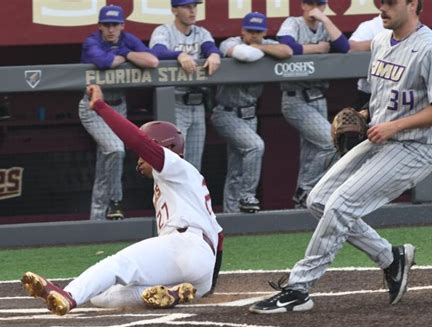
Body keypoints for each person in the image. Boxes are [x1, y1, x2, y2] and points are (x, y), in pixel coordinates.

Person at [250, 0, 432, 314]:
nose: (382, 8)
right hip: (380, 137)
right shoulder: (381, 41)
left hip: (416, 147)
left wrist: (394, 125)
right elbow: (382, 99)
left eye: (390, 3)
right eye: (379, 2)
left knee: (340, 204)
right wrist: (364, 113)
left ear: (413, 4)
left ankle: (298, 287)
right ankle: (391, 258)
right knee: (318, 200)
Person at [22, 84, 224, 316]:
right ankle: (168, 293)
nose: (139, 159)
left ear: (163, 146)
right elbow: (218, 236)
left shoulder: (175, 165)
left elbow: (136, 139)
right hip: (201, 266)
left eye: (144, 153)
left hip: (183, 243)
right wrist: (206, 285)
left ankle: (68, 295)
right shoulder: (182, 182)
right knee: (100, 296)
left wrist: (100, 106)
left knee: (118, 265)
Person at [79, 4, 159, 221]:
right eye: (107, 25)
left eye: (115, 25)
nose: (111, 29)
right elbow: (105, 62)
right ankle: (115, 200)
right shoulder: (91, 41)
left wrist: (124, 52)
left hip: (118, 106)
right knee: (115, 149)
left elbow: (152, 61)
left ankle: (96, 217)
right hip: (93, 107)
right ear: (100, 27)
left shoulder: (127, 40)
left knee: (106, 157)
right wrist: (129, 56)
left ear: (122, 25)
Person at [211, 12, 293, 213]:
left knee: (237, 167)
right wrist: (260, 50)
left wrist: (261, 46)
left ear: (264, 31)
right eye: (250, 31)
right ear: (242, 31)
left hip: (250, 115)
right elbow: (243, 54)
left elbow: (287, 51)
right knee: (255, 146)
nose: (254, 35)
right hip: (226, 113)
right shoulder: (230, 42)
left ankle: (231, 213)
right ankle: (247, 195)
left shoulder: (266, 43)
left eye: (258, 31)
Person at [276, 0, 350, 209]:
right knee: (331, 142)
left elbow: (343, 47)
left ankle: (303, 201)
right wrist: (317, 48)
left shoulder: (325, 26)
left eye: (319, 3)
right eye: (310, 3)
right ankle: (305, 189)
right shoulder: (293, 23)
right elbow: (288, 46)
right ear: (303, 4)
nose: (314, 7)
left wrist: (325, 19)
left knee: (311, 153)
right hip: (295, 97)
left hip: (318, 97)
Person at [149, 0, 221, 171]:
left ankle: (192, 197)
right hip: (175, 103)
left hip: (197, 104)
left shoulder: (201, 32)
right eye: (187, 7)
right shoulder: (164, 31)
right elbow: (157, 52)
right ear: (174, 9)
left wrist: (214, 54)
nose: (192, 11)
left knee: (194, 164)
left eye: (194, 6)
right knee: (173, 161)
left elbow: (211, 47)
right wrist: (179, 55)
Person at [349, 14, 384, 108]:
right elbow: (350, 48)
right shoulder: (371, 25)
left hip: (402, 94)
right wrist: (381, 42)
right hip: (370, 95)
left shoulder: (412, 27)